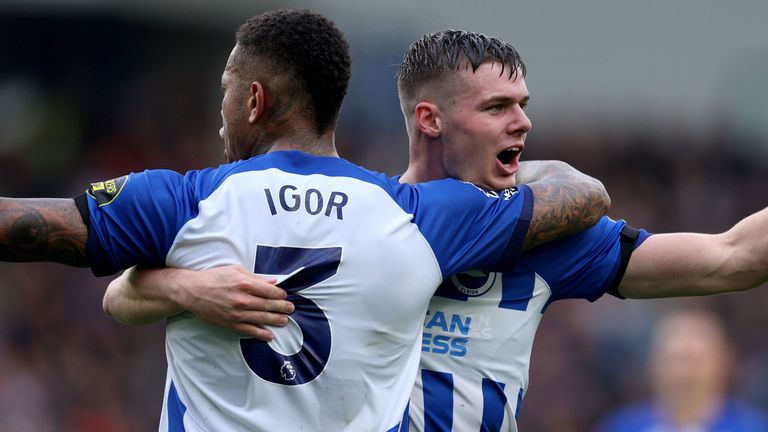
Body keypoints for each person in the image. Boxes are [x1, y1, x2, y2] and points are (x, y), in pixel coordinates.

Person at [104, 29, 768, 431]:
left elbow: (731, 259)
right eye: (499, 107)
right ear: (430, 120)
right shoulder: (346, 223)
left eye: (523, 108)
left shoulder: (538, 240)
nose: (523, 125)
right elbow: (123, 295)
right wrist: (190, 292)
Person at [0, 11, 611, 432]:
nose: (221, 113)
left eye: (226, 92)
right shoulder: (419, 218)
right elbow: (580, 198)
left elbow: (24, 228)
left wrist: (177, 286)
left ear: (255, 101)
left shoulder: (182, 204)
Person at [597, 309, 768, 431]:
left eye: (693, 359)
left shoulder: (755, 427)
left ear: (725, 363)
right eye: (674, 358)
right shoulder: (620, 426)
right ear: (652, 363)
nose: (683, 373)